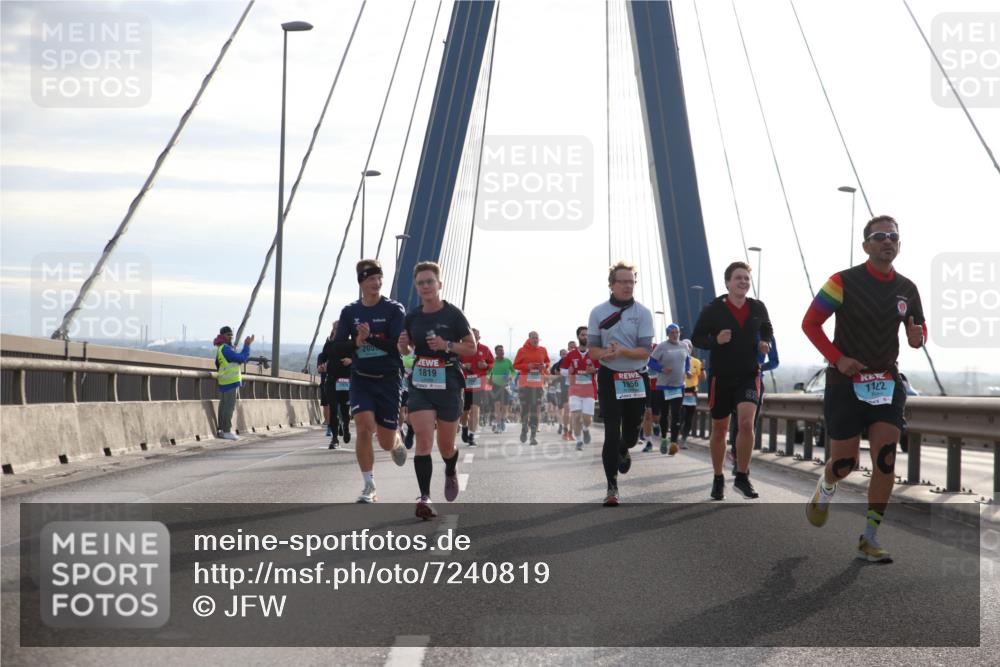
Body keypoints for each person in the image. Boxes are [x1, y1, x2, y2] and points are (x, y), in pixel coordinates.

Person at [803, 215, 926, 563]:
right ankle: (826, 487)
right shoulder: (842, 281)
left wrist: (919, 339)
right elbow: (810, 324)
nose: (888, 241)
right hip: (845, 383)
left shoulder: (908, 288)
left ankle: (869, 536)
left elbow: (918, 330)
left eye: (894, 237)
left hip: (886, 382)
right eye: (880, 236)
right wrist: (838, 359)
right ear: (866, 245)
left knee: (886, 459)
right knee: (845, 463)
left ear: (899, 245)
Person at [399, 261, 478, 519]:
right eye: (420, 283)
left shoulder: (453, 315)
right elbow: (407, 351)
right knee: (423, 440)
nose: (425, 286)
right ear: (416, 287)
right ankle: (425, 497)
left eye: (430, 281)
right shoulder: (412, 317)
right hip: (421, 382)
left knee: (446, 447)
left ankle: (450, 469)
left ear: (439, 284)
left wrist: (446, 345)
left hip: (449, 383)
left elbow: (471, 348)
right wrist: (403, 346)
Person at [692, 261, 773, 501]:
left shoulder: (758, 307)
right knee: (720, 430)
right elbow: (697, 337)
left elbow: (768, 328)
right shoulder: (713, 309)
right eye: (738, 278)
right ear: (727, 282)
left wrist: (764, 341)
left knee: (747, 424)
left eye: (746, 279)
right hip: (721, 376)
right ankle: (718, 478)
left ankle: (742, 476)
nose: (743, 282)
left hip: (749, 374)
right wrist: (715, 339)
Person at [333, 259, 409, 503]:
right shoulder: (350, 312)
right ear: (361, 282)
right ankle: (369, 485)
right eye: (370, 279)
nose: (376, 283)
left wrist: (368, 339)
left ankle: (396, 438)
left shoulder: (394, 309)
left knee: (385, 442)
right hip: (361, 378)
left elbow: (395, 346)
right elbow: (337, 348)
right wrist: (356, 343)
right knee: (363, 426)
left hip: (388, 379)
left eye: (379, 278)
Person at [588, 261, 655, 506]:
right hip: (609, 376)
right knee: (610, 432)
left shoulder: (643, 313)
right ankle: (611, 487)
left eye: (631, 282)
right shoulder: (598, 312)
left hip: (636, 376)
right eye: (623, 282)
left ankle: (624, 448)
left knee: (630, 435)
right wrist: (604, 354)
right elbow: (592, 350)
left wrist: (623, 352)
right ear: (611, 285)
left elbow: (646, 351)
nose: (628, 286)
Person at [728, 334, 779, 472]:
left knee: (750, 423)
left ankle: (741, 460)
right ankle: (735, 453)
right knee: (736, 421)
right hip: (735, 380)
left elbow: (775, 361)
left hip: (754, 381)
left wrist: (760, 367)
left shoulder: (766, 334)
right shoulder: (736, 329)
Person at [648, 323, 689, 456]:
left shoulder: (684, 346)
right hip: (664, 386)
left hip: (679, 386)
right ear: (667, 334)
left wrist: (687, 370)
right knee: (664, 414)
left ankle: (674, 442)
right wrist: (661, 369)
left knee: (676, 414)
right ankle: (664, 438)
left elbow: (687, 360)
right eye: (672, 332)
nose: (675, 335)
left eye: (677, 332)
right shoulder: (662, 347)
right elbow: (651, 362)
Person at [214, 326, 254, 440]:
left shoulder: (223, 348)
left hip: (225, 381)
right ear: (222, 336)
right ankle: (226, 430)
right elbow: (241, 358)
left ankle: (222, 430)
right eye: (228, 335)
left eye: (231, 335)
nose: (230, 337)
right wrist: (247, 346)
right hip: (229, 382)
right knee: (229, 407)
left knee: (224, 406)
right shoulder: (225, 349)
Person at [562, 325, 598, 450]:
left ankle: (586, 429)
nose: (585, 337)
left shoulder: (594, 353)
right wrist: (569, 371)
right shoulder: (571, 354)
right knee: (576, 416)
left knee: (587, 419)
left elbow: (601, 368)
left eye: (588, 335)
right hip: (574, 390)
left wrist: (594, 370)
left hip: (590, 390)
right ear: (578, 336)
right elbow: (562, 370)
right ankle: (578, 440)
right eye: (583, 335)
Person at [318, 321, 352, 449]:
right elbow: (323, 356)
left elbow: (358, 357)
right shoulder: (330, 344)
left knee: (344, 409)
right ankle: (334, 438)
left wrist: (351, 360)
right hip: (331, 380)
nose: (337, 330)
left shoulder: (350, 343)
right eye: (335, 328)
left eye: (340, 328)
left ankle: (346, 428)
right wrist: (320, 365)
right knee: (333, 409)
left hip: (345, 380)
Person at [513, 331, 550, 445]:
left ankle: (533, 436)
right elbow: (515, 365)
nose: (535, 340)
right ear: (529, 338)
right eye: (533, 338)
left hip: (538, 385)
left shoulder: (543, 350)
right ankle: (524, 429)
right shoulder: (522, 350)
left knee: (535, 410)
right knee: (525, 409)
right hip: (525, 385)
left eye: (537, 338)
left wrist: (544, 366)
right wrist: (526, 366)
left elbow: (548, 362)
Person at [459, 328, 494, 447]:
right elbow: (453, 362)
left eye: (476, 336)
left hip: (479, 384)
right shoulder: (462, 348)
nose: (474, 337)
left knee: (475, 409)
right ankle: (464, 426)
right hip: (464, 385)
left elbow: (492, 364)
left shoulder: (485, 349)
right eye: (472, 335)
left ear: (479, 337)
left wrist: (486, 365)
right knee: (465, 412)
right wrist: (463, 366)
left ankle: (472, 435)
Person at [680, 339, 705, 448]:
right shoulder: (676, 360)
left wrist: (703, 368)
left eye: (688, 347)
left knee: (689, 418)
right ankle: (677, 435)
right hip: (679, 391)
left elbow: (703, 378)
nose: (686, 349)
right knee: (680, 416)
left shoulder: (696, 362)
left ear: (691, 349)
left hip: (691, 392)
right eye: (684, 346)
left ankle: (684, 439)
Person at [488, 344, 515, 432]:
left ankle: (503, 420)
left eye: (502, 350)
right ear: (496, 352)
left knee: (505, 407)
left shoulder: (508, 361)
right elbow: (488, 373)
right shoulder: (492, 362)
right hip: (495, 386)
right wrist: (489, 379)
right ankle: (499, 425)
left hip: (505, 386)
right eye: (500, 350)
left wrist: (510, 377)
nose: (502, 352)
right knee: (497, 406)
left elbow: (513, 371)